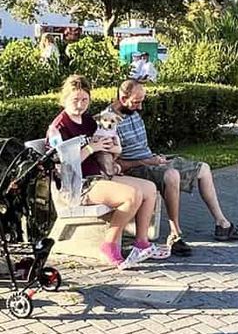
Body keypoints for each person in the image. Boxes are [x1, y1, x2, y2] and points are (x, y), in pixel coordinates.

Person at [108, 79, 238, 255]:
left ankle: (222, 224)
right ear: (123, 98)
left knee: (204, 169)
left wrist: (156, 159)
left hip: (152, 161)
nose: (140, 107)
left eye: (141, 101)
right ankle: (175, 234)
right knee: (172, 176)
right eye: (136, 102)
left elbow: (143, 148)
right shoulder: (108, 121)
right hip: (135, 168)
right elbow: (115, 165)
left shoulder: (132, 112)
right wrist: (147, 162)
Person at [46, 74, 169, 270]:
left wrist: (115, 150)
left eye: (84, 99)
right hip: (78, 184)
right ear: (65, 99)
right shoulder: (59, 127)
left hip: (101, 175)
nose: (80, 104)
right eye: (75, 100)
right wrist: (91, 149)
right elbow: (61, 166)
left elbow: (108, 145)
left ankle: (141, 244)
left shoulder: (88, 121)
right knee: (131, 195)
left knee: (149, 189)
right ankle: (109, 245)